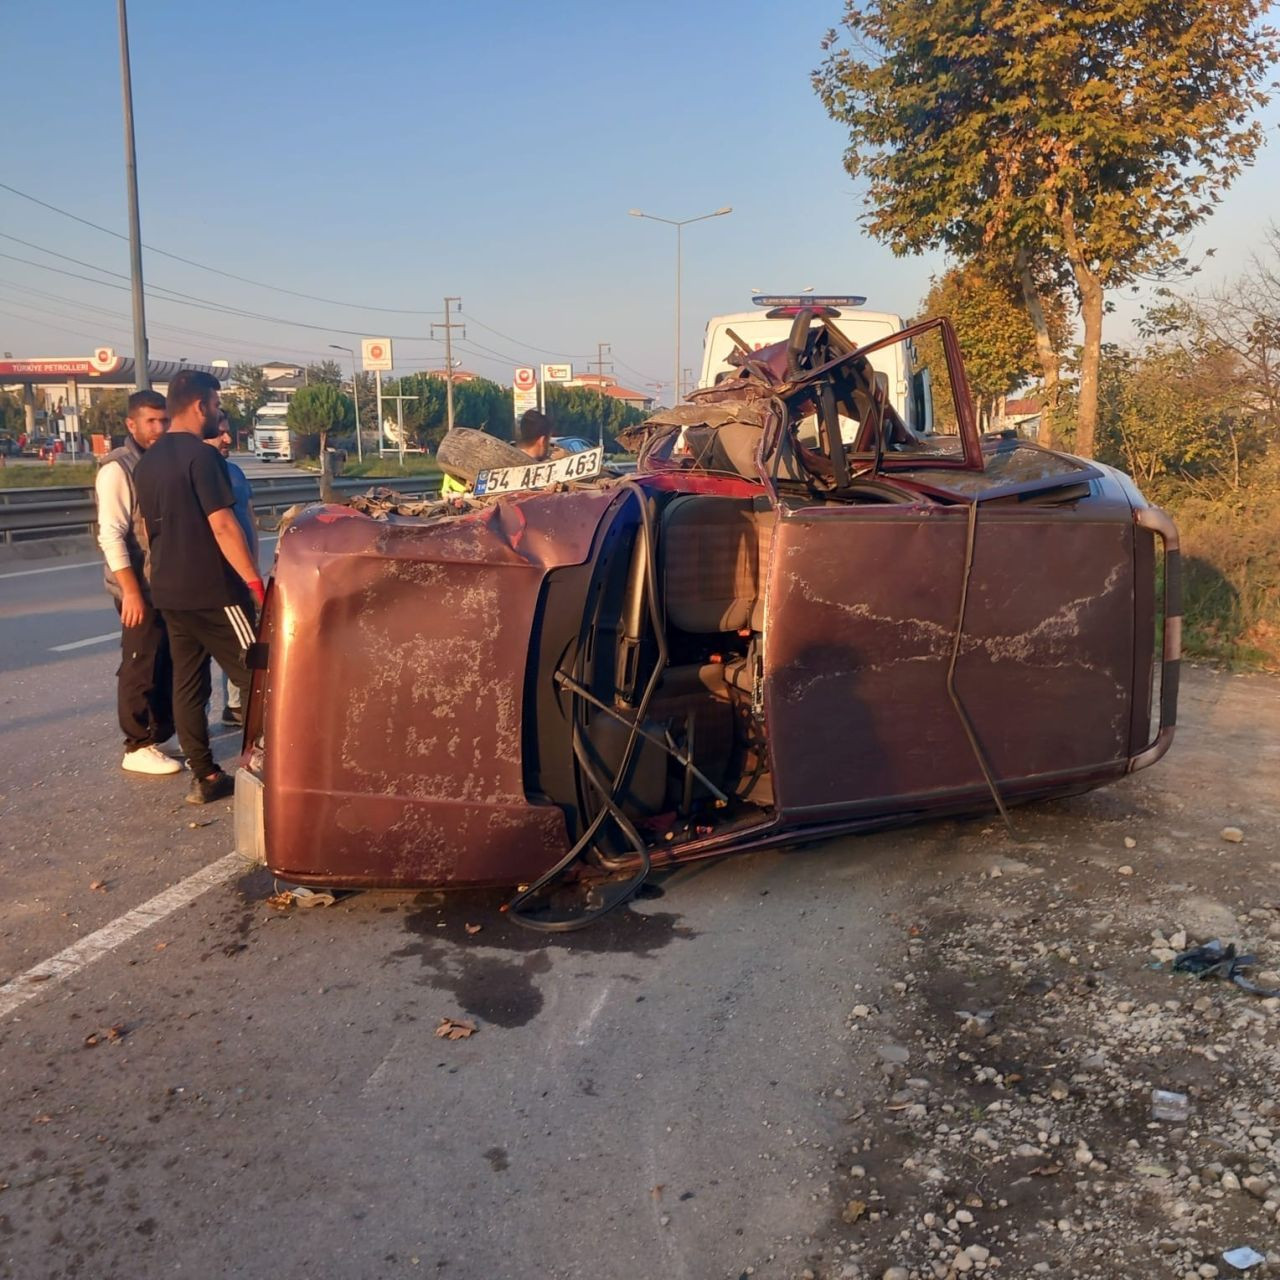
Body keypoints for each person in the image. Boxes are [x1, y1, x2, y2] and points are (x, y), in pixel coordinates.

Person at [134, 370, 265, 805]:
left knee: (188, 684)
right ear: (199, 405)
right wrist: (253, 583)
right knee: (261, 675)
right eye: (216, 405)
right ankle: (267, 766)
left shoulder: (148, 461)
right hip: (215, 591)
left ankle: (206, 776)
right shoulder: (203, 458)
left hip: (169, 590)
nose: (218, 412)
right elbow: (224, 525)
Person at [94, 389, 179, 775]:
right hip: (138, 587)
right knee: (140, 660)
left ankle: (159, 733)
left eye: (164, 420)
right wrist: (130, 591)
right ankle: (137, 743)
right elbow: (111, 535)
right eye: (150, 421)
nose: (159, 428)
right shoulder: (118, 468)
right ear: (132, 424)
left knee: (167, 659)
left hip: (166, 581)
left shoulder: (163, 461)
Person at [204, 411, 258, 725]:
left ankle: (235, 706)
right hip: (218, 574)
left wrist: (252, 563)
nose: (227, 439)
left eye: (227, 432)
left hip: (243, 569)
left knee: (245, 641)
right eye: (219, 433)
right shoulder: (201, 471)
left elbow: (248, 515)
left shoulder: (235, 471)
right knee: (229, 647)